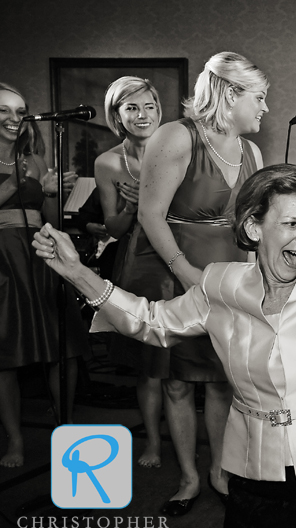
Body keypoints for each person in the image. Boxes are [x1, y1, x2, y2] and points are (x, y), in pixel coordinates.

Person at [34, 164, 296, 528]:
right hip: (253, 472)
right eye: (291, 223)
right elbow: (150, 321)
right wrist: (78, 273)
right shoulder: (220, 285)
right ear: (254, 228)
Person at [137, 51, 266, 514]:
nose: (264, 108)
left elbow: (255, 221)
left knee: (221, 380)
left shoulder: (252, 151)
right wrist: (186, 273)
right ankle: (188, 477)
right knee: (176, 382)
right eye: (259, 97)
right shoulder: (176, 136)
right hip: (179, 272)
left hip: (231, 275)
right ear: (231, 94)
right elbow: (149, 214)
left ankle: (219, 470)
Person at [0, 82, 86, 467]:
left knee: (60, 347)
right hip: (3, 259)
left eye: (20, 111)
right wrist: (29, 184)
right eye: (4, 110)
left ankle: (63, 425)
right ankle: (15, 441)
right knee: (6, 355)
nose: (14, 118)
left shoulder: (33, 159)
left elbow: (49, 220)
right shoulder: (25, 171)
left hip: (39, 253)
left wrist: (53, 195)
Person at [94, 76, 165, 468]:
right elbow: (114, 229)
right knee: (147, 362)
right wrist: (131, 208)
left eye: (150, 106)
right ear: (117, 115)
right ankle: (153, 442)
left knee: (184, 362)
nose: (143, 115)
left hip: (177, 254)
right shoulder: (107, 162)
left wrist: (154, 202)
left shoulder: (177, 149)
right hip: (137, 260)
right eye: (132, 108)